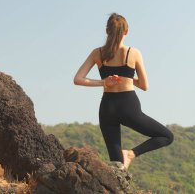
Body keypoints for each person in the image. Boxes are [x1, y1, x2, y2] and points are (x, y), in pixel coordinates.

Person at [73, 13, 174, 170]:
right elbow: (144, 85)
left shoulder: (97, 53)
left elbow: (78, 79)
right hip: (129, 107)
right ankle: (131, 154)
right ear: (126, 31)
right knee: (167, 136)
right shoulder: (133, 53)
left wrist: (104, 82)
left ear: (107, 31)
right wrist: (127, 78)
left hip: (107, 108)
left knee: (117, 165)